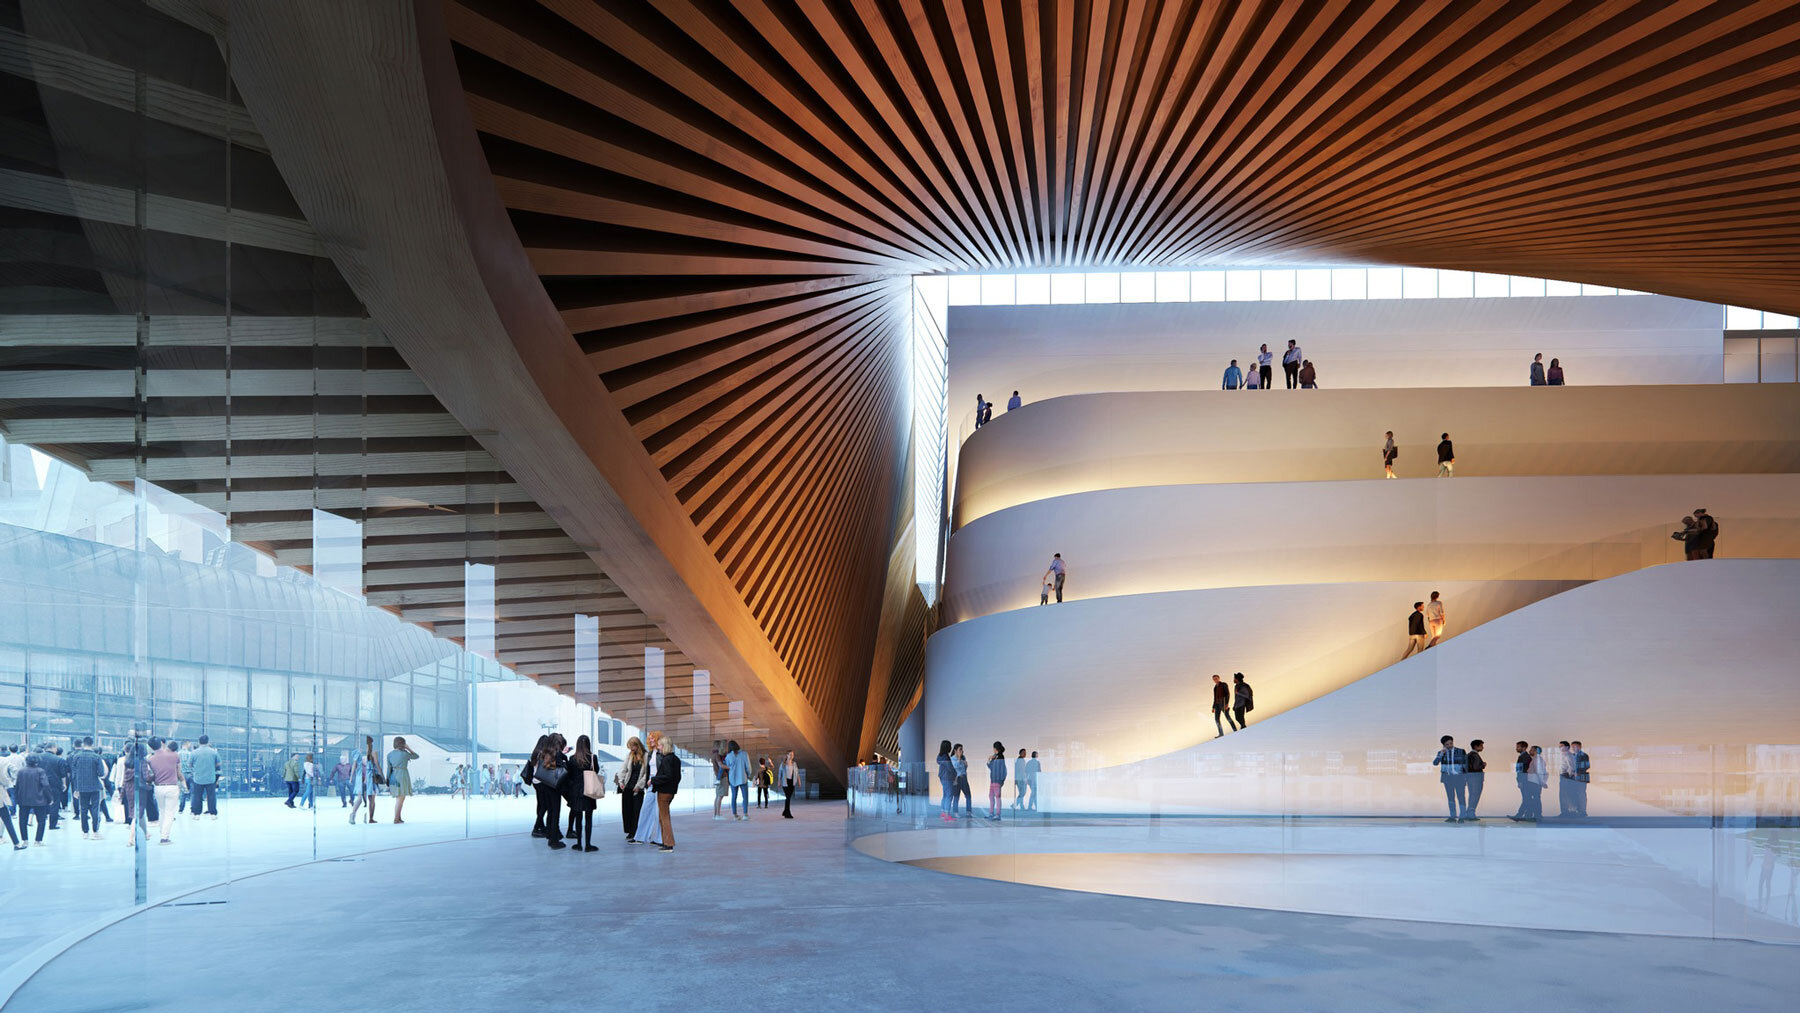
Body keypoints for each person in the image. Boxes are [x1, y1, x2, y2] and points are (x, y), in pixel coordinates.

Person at [529, 734, 566, 849]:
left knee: (550, 811)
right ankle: (554, 840)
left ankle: (550, 835)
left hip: (544, 785)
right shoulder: (556, 754)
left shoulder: (543, 753)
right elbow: (560, 769)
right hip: (554, 787)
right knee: (555, 812)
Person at [565, 734, 600, 852]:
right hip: (589, 790)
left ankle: (579, 844)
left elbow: (569, 775)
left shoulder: (572, 759)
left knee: (578, 817)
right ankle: (588, 845)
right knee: (589, 818)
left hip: (576, 791)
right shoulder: (592, 758)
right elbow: (596, 771)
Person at [69, 738, 106, 839]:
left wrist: (76, 788)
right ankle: (95, 831)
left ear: (82, 744)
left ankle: (85, 832)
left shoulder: (76, 756)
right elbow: (101, 773)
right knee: (95, 808)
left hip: (81, 786)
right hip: (94, 786)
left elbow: (74, 774)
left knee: (83, 809)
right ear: (92, 744)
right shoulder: (96, 757)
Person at [651, 735, 681, 853]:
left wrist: (653, 780)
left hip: (664, 792)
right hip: (670, 791)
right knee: (662, 817)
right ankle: (665, 842)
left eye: (659, 745)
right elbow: (676, 777)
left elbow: (667, 776)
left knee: (664, 817)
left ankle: (668, 844)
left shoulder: (667, 759)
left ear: (664, 746)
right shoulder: (676, 759)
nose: (658, 747)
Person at [148, 739, 182, 844]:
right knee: (169, 813)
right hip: (172, 787)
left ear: (151, 747)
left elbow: (150, 776)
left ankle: (162, 832)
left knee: (162, 811)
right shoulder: (175, 755)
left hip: (158, 787)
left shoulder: (150, 759)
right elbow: (178, 772)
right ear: (162, 744)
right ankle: (164, 837)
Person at [14, 755, 53, 845]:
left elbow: (17, 786)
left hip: (23, 799)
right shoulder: (40, 771)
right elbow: (46, 785)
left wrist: (16, 798)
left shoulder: (21, 771)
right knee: (41, 820)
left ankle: (25, 840)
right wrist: (50, 798)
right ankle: (38, 841)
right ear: (37, 761)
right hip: (39, 799)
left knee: (23, 820)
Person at [634, 732, 665, 846]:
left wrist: (655, 780)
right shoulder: (651, 754)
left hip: (659, 783)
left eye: (653, 739)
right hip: (651, 783)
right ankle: (641, 836)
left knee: (659, 813)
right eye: (650, 739)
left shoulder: (662, 754)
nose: (651, 740)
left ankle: (659, 839)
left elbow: (663, 770)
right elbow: (648, 770)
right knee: (645, 809)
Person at [616, 736, 646, 842]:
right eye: (630, 747)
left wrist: (639, 785)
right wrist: (621, 782)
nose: (631, 749)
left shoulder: (646, 756)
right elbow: (623, 769)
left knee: (636, 811)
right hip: (628, 786)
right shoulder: (629, 755)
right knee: (627, 810)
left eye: (632, 746)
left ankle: (635, 832)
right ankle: (630, 831)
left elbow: (646, 774)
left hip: (638, 788)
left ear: (637, 745)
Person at [1431, 735, 1467, 822]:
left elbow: (1466, 765)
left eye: (1451, 743)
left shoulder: (1461, 751)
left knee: (1461, 797)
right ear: (1443, 745)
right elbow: (1435, 763)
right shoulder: (1441, 752)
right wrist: (1440, 755)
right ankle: (1453, 816)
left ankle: (1462, 817)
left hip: (1459, 777)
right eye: (1447, 744)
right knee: (1450, 797)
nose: (1450, 745)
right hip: (1447, 778)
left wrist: (1466, 778)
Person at [387, 736, 418, 825]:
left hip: (393, 775)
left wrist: (388, 780)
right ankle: (396, 818)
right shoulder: (404, 753)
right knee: (400, 798)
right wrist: (408, 748)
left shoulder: (390, 754)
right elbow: (416, 756)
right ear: (403, 744)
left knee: (399, 797)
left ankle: (398, 817)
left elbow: (388, 768)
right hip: (402, 775)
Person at [349, 736, 380, 825]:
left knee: (370, 798)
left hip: (370, 777)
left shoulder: (372, 753)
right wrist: (351, 777)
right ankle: (352, 815)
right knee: (360, 799)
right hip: (360, 778)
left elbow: (375, 765)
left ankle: (368, 817)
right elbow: (354, 765)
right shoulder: (358, 752)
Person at [188, 735, 219, 818]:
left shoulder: (194, 752)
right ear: (208, 742)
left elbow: (190, 764)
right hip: (210, 778)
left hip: (198, 778)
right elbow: (218, 764)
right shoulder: (214, 752)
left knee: (197, 796)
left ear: (199, 742)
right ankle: (213, 814)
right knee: (211, 796)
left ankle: (197, 814)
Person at [725, 740, 752, 820]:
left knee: (734, 797)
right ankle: (745, 814)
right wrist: (748, 774)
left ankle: (735, 815)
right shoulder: (744, 754)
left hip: (733, 779)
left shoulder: (728, 756)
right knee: (745, 797)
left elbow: (727, 768)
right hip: (743, 777)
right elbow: (748, 766)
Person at [1510, 741, 1536, 821]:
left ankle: (1520, 815)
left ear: (1524, 747)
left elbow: (1522, 771)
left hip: (1525, 781)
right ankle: (1528, 815)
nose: (1516, 748)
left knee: (1526, 799)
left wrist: (1520, 781)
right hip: (1525, 781)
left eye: (1518, 747)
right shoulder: (1523, 756)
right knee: (1527, 799)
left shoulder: (1525, 757)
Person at [0, 749, 19, 849]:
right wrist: (9, 781)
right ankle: (16, 843)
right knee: (7, 819)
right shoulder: (3, 761)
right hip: (1, 794)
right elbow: (15, 770)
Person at [1464, 739, 1486, 821]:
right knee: (1475, 795)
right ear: (1476, 746)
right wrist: (1483, 765)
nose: (1483, 747)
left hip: (1470, 778)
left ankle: (1469, 813)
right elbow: (1476, 767)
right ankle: (1471, 813)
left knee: (1472, 795)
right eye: (1481, 746)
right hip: (1476, 778)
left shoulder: (1468, 755)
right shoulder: (1475, 755)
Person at [936, 740, 956, 822]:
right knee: (949, 795)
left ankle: (943, 812)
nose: (951, 747)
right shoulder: (945, 757)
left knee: (945, 795)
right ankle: (947, 815)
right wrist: (955, 773)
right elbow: (950, 768)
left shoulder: (940, 756)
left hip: (943, 777)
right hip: (947, 778)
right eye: (950, 746)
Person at [986, 742, 1007, 819]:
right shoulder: (995, 757)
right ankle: (991, 813)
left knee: (997, 797)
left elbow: (1002, 769)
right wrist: (989, 760)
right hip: (993, 780)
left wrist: (1002, 780)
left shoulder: (1000, 756)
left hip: (997, 781)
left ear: (995, 748)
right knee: (991, 796)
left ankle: (998, 814)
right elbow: (990, 766)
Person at [1569, 740, 1590, 817]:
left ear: (1580, 747)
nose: (1573, 748)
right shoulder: (1571, 755)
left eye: (1575, 746)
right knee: (1574, 794)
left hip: (1581, 778)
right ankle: (1576, 810)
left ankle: (1583, 811)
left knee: (1581, 794)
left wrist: (1577, 772)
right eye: (1572, 747)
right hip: (1573, 779)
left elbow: (1587, 766)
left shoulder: (1584, 755)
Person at [1554, 741, 1575, 817]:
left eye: (1562, 746)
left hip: (1566, 776)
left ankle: (1566, 812)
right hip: (1563, 775)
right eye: (1559, 746)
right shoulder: (1563, 755)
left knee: (1565, 795)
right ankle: (1566, 811)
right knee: (1564, 794)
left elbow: (1572, 767)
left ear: (1567, 747)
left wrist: (1569, 777)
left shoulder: (1568, 755)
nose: (1560, 748)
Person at [952, 744, 972, 817]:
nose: (962, 751)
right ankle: (955, 812)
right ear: (955, 750)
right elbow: (955, 766)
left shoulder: (963, 758)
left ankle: (969, 811)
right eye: (960, 749)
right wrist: (959, 758)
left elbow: (963, 769)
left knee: (968, 795)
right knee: (956, 796)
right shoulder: (953, 758)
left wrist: (966, 765)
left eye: (962, 749)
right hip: (957, 779)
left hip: (964, 778)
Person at [781, 750, 799, 819]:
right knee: (788, 797)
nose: (792, 756)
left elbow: (797, 772)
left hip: (792, 782)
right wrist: (779, 781)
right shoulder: (783, 764)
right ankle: (788, 813)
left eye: (792, 754)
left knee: (788, 797)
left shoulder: (794, 764)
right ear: (787, 755)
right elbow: (780, 773)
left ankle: (785, 811)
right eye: (790, 754)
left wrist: (799, 781)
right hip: (785, 782)